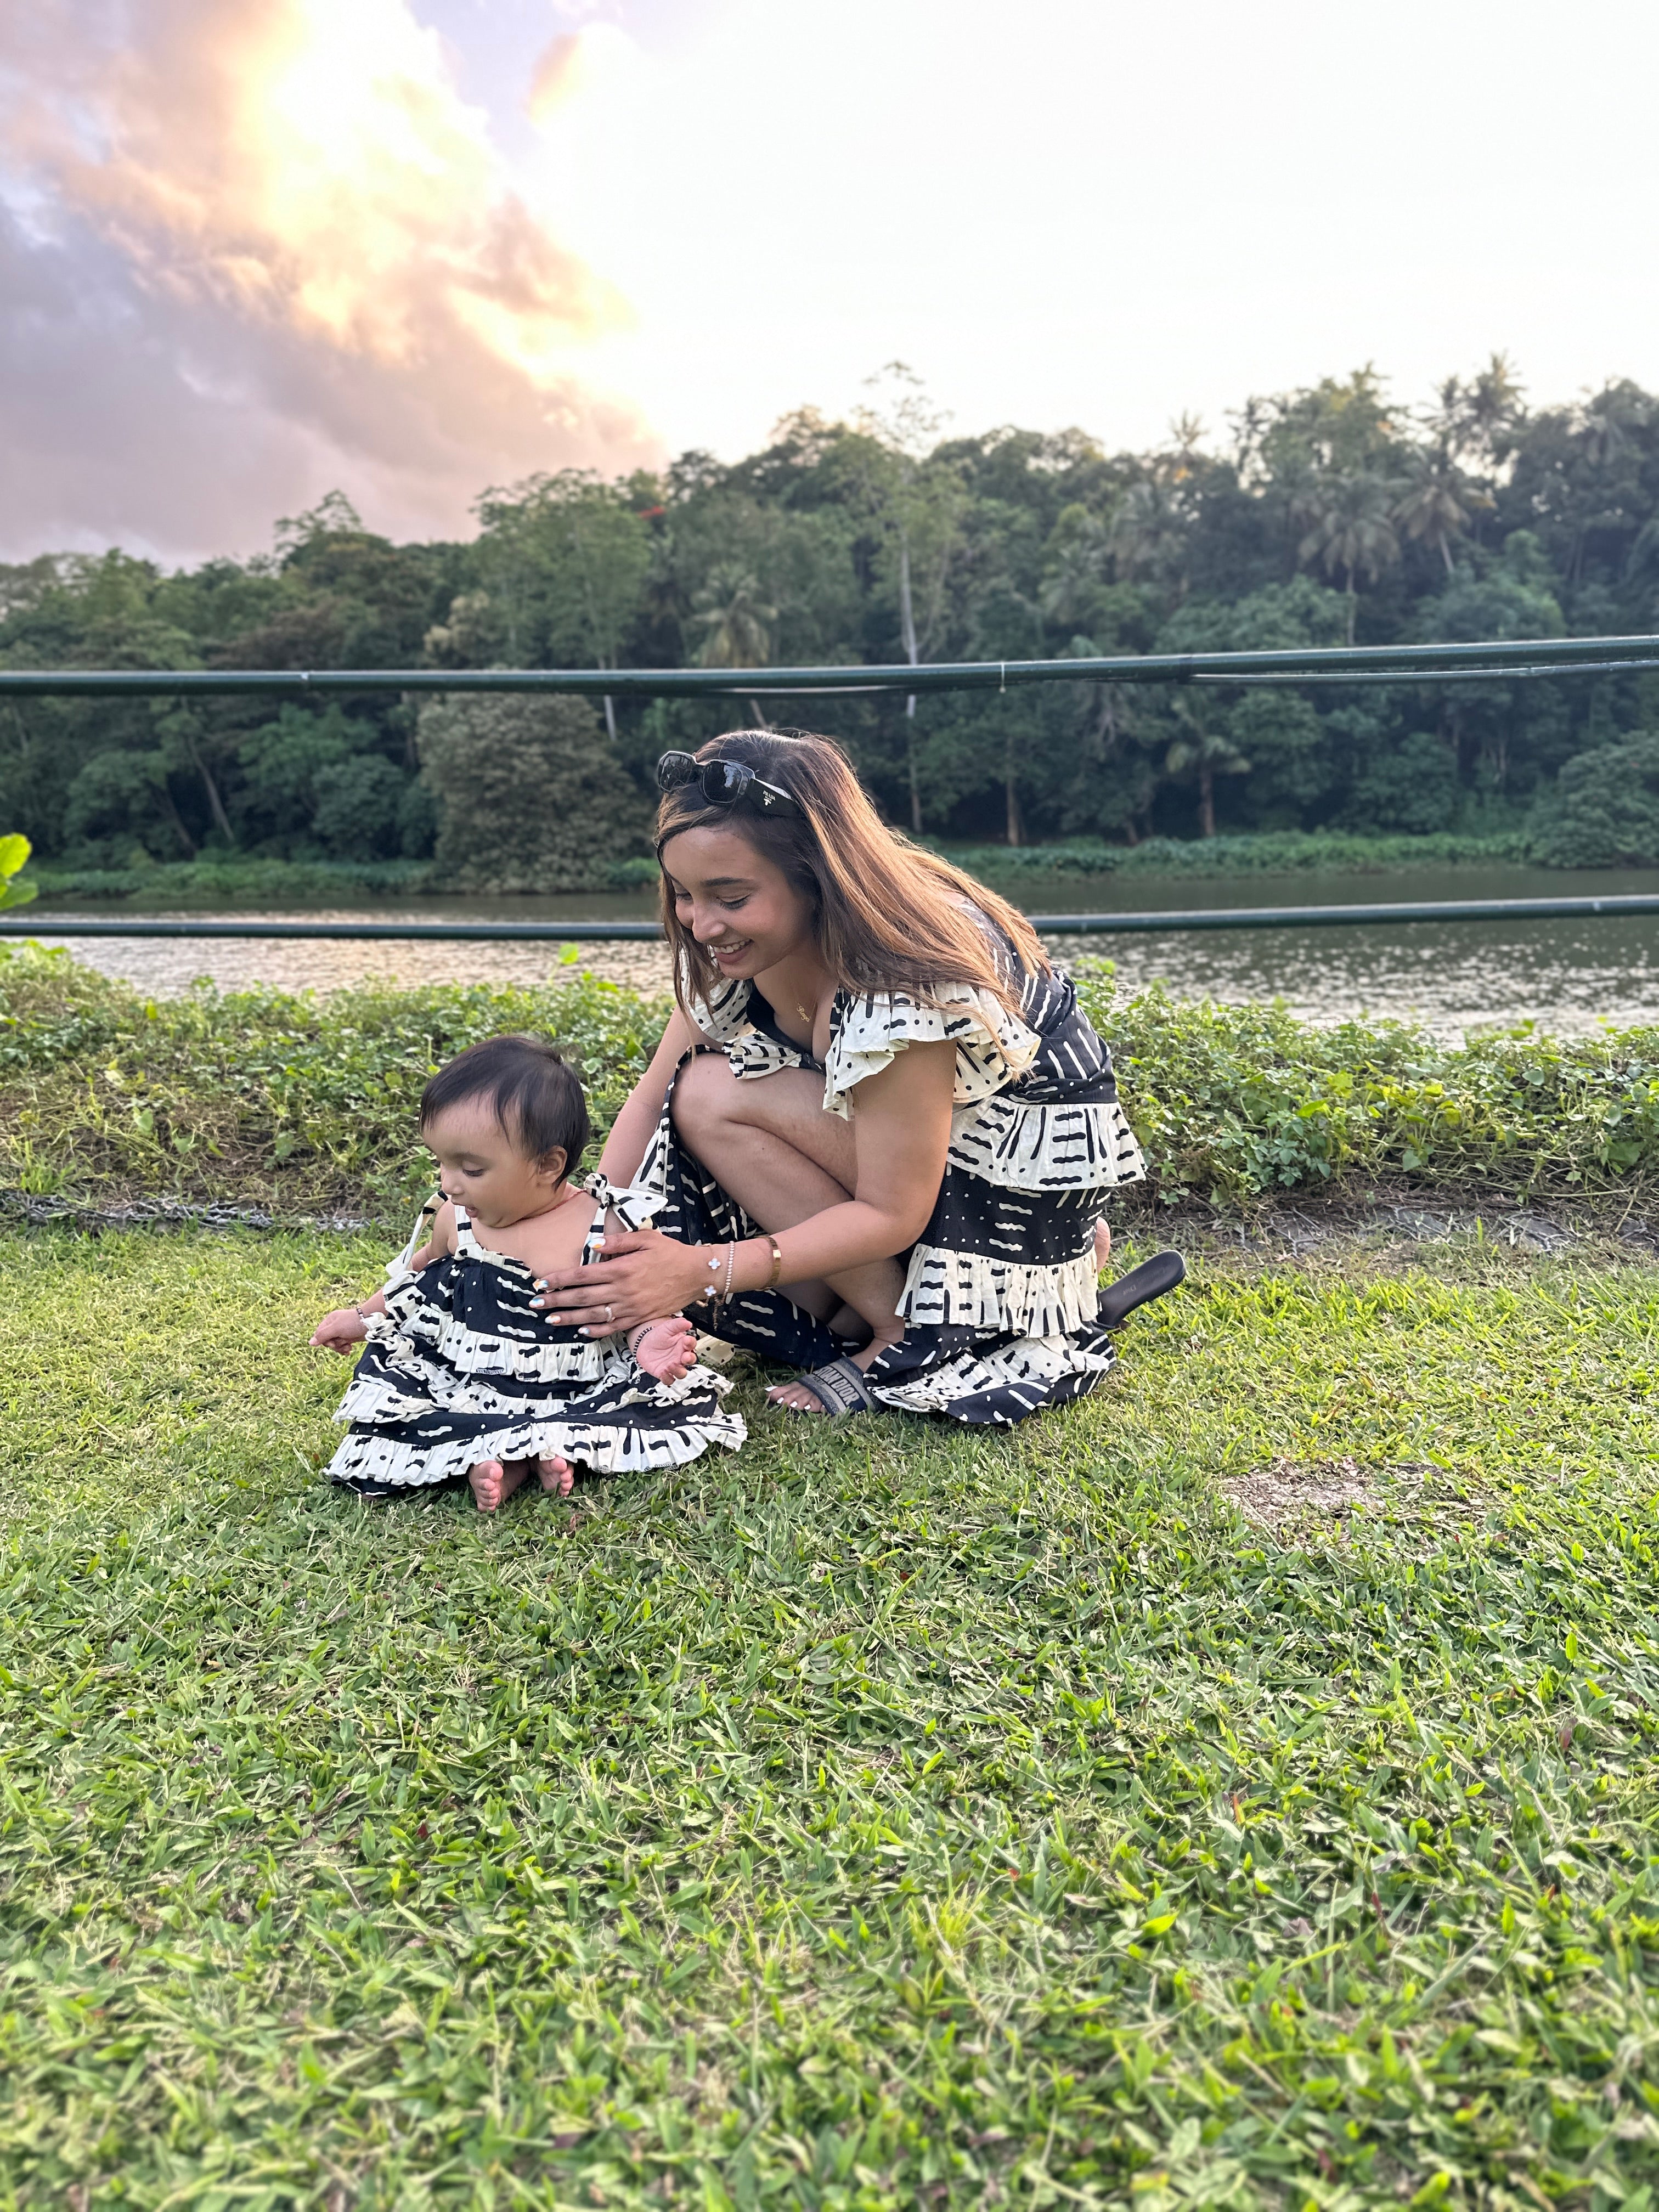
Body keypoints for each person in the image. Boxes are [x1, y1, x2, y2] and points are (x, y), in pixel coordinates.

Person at [533, 730, 1172, 1424]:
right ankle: (969, 1298)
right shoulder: (747, 942)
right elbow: (652, 1092)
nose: (703, 924)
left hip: (995, 1193)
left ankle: (908, 1336)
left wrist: (704, 1268)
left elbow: (893, 1211)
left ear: (814, 873)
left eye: (730, 897)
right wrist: (588, 1245)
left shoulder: (895, 977)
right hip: (920, 1167)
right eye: (684, 894)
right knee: (697, 1109)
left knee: (714, 1098)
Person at [312, 1034, 744, 1508]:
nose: (449, 1184)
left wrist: (650, 1341)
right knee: (423, 1407)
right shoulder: (454, 1220)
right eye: (441, 1163)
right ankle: (495, 1461)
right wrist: (362, 1316)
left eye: (471, 1170)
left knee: (615, 1410)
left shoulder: (602, 1225)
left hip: (574, 1383)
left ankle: (542, 1455)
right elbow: (416, 1280)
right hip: (471, 1384)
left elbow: (633, 1300)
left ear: (547, 1165)